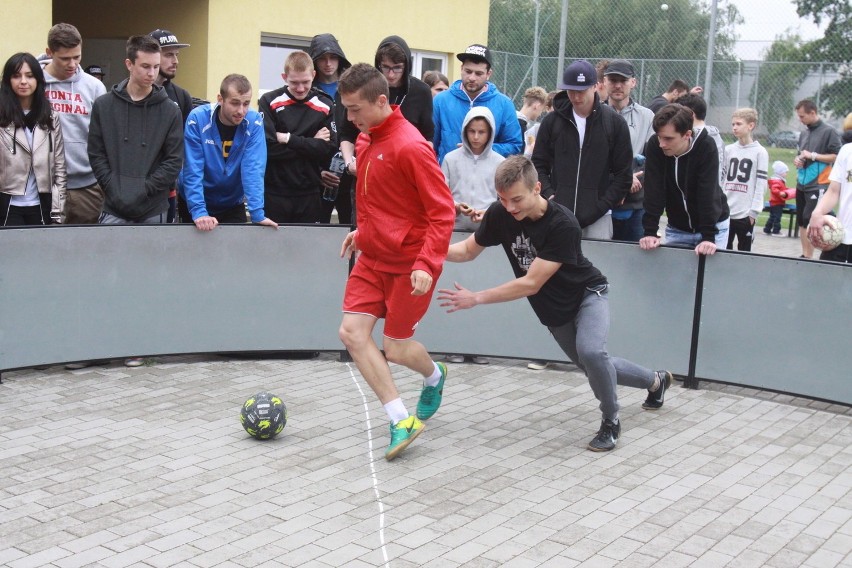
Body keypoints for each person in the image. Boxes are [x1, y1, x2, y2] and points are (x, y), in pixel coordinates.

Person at [438, 156, 672, 452]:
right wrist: (431, 252)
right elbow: (468, 250)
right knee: (595, 366)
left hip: (587, 295)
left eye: (516, 199)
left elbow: (530, 283)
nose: (510, 207)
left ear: (536, 188)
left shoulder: (563, 223)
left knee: (592, 352)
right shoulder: (500, 214)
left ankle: (611, 421)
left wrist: (476, 298)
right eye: (502, 199)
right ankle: (656, 381)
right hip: (553, 311)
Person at [336, 63, 455, 461]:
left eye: (355, 110)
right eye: (346, 110)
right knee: (352, 333)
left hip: (409, 265)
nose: (349, 119)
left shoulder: (411, 145)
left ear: (382, 101)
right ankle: (399, 418)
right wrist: (362, 233)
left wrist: (426, 262)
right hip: (372, 258)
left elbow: (442, 213)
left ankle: (434, 375)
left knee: (397, 349)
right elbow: (377, 204)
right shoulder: (368, 141)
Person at [87, 35, 184, 368]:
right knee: (106, 279)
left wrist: (144, 190)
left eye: (156, 67)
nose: (152, 74)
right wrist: (113, 188)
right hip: (112, 206)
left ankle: (136, 345)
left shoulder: (170, 110)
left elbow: (173, 162)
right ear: (129, 64)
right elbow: (96, 153)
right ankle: (98, 346)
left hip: (151, 209)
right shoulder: (103, 106)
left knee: (144, 281)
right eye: (145, 66)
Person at [531, 59, 632, 240]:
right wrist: (550, 196)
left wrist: (601, 206)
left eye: (581, 91)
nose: (576, 97)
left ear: (595, 86)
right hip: (557, 215)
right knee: (555, 266)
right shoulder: (552, 122)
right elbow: (538, 164)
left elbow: (623, 175)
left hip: (598, 219)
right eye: (571, 91)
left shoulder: (614, 123)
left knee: (597, 266)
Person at [440, 106, 505, 366]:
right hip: (455, 229)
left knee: (481, 287)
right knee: (454, 288)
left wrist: (488, 213)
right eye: (472, 131)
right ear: (465, 131)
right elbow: (441, 193)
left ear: (490, 133)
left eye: (482, 132)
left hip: (486, 233)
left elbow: (502, 198)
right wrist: (456, 206)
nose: (476, 137)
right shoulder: (451, 159)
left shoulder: (500, 162)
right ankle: (453, 343)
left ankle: (479, 345)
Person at [179, 74, 277, 231]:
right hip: (196, 200)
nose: (241, 111)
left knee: (234, 254)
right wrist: (199, 212)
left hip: (232, 203)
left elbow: (253, 168)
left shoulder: (254, 121)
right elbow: (193, 168)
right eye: (235, 103)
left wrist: (257, 214)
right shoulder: (197, 118)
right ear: (220, 99)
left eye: (246, 104)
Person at [640, 104, 729, 256]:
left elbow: (707, 191)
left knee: (709, 278)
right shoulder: (655, 146)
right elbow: (654, 190)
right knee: (676, 278)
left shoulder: (706, 146)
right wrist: (650, 231)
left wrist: (708, 236)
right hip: (677, 228)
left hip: (713, 227)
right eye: (659, 137)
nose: (662, 144)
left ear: (687, 134)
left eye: (668, 138)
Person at [258, 50, 336, 224]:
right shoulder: (268, 101)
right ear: (284, 77)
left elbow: (328, 149)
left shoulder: (325, 104)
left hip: (310, 193)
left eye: (306, 82)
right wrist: (311, 142)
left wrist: (288, 139)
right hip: (275, 192)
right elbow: (268, 149)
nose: (300, 88)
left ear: (314, 75)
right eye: (294, 83)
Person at [41, 23, 107, 225]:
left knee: (86, 249)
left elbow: (104, 136)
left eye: (77, 57)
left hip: (87, 185)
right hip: (43, 185)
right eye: (65, 58)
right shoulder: (33, 83)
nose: (72, 64)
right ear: (49, 53)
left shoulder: (94, 86)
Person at [0, 52, 66, 226]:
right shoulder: (2, 116)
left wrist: (58, 213)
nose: (23, 81)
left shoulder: (50, 117)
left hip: (41, 205)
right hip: (7, 205)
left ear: (38, 80)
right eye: (16, 76)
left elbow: (59, 168)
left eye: (29, 76)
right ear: (8, 81)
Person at [432, 44, 523, 163]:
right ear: (461, 68)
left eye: (478, 73)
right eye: (468, 71)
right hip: (448, 176)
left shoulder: (504, 104)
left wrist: (483, 149)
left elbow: (514, 145)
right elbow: (430, 144)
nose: (472, 78)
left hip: (488, 177)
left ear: (488, 74)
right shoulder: (441, 101)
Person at [603, 59, 655, 242]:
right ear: (604, 82)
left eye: (623, 80)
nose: (618, 85)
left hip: (635, 201)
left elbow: (653, 157)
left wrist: (631, 177)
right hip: (602, 201)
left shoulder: (647, 116)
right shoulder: (595, 114)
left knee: (634, 260)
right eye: (613, 80)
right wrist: (623, 178)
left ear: (633, 82)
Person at [149, 29, 193, 224]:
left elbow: (185, 145)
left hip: (169, 187)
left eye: (176, 55)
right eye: (168, 55)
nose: (175, 61)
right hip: (134, 186)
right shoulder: (132, 93)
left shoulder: (182, 96)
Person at [309, 33, 353, 225]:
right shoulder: (306, 91)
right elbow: (300, 138)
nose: (328, 63)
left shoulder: (352, 88)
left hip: (350, 173)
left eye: (332, 57)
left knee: (351, 231)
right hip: (318, 176)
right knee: (317, 234)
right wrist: (317, 172)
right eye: (322, 59)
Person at [794, 99, 842, 259]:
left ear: (812, 113)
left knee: (810, 217)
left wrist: (813, 156)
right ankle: (806, 255)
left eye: (802, 116)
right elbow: (802, 154)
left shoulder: (829, 132)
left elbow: (837, 156)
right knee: (801, 219)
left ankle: (820, 251)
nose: (800, 120)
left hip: (819, 184)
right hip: (802, 183)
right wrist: (799, 161)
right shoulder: (804, 133)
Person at [807, 113, 852, 263]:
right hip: (843, 236)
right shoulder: (847, 151)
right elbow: (833, 191)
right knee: (825, 282)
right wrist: (817, 213)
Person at [723, 108, 768, 251]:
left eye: (738, 124)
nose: (734, 127)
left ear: (751, 126)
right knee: (724, 249)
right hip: (726, 211)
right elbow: (722, 179)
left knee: (744, 251)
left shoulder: (760, 152)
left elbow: (761, 184)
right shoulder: (728, 150)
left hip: (745, 213)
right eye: (733, 124)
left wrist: (754, 211)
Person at [676, 93, 726, 191]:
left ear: (691, 114)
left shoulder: (695, 139)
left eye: (679, 113)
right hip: (716, 195)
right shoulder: (717, 137)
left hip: (700, 196)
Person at [764, 161, 791, 236]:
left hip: (775, 202)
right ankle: (776, 231)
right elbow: (774, 190)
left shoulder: (778, 181)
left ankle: (767, 229)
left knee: (772, 216)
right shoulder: (777, 181)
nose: (786, 174)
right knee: (777, 217)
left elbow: (780, 188)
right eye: (785, 172)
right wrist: (780, 193)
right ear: (780, 172)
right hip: (777, 202)